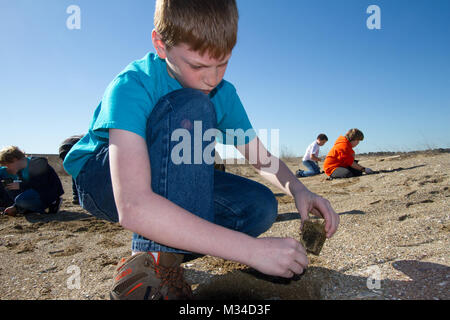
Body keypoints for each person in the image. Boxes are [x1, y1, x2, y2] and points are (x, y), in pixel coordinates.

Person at [63, 0, 340, 300]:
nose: (213, 78)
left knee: (259, 205)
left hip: (168, 183)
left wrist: (299, 190)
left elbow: (261, 160)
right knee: (193, 105)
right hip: (102, 181)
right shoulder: (132, 84)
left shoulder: (224, 93)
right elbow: (132, 206)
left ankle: (170, 247)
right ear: (160, 44)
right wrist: (252, 251)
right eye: (197, 65)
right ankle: (152, 264)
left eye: (223, 63)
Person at [0, 146, 64, 216]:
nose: (7, 168)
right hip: (35, 193)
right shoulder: (20, 171)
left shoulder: (37, 163)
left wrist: (20, 185)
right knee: (10, 187)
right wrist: (14, 206)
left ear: (14, 159)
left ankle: (53, 204)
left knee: (21, 199)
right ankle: (22, 208)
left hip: (49, 193)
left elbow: (41, 183)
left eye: (7, 165)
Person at [58, 135, 83, 205]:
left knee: (74, 172)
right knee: (79, 172)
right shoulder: (87, 138)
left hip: (62, 148)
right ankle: (78, 196)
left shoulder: (79, 138)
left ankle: (76, 196)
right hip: (72, 148)